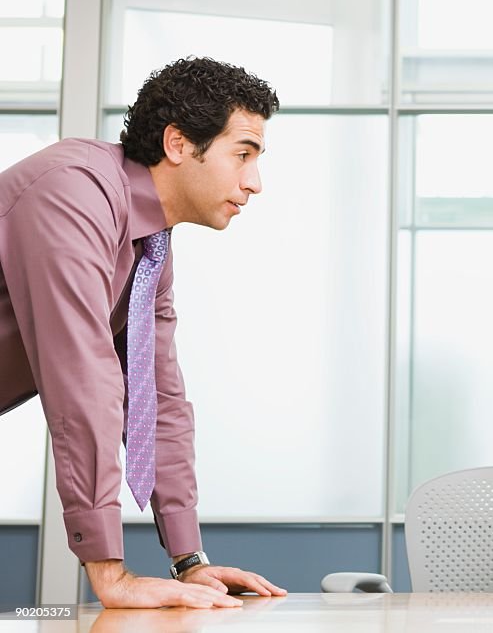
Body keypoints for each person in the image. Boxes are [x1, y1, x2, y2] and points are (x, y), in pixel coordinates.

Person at [0, 57, 288, 608]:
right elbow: (83, 378)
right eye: (243, 155)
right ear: (179, 144)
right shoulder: (74, 192)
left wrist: (189, 561)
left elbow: (158, 398)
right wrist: (110, 574)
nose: (255, 182)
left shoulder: (150, 245)